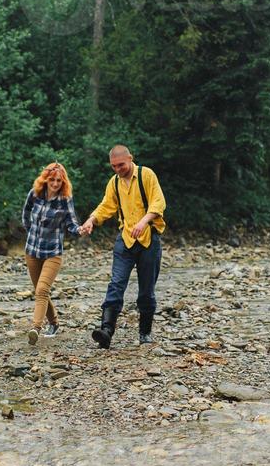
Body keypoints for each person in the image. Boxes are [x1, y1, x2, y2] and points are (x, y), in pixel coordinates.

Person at [77, 145, 166, 347]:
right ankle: (106, 331)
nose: (118, 169)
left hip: (149, 240)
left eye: (121, 165)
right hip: (125, 240)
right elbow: (106, 206)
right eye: (114, 166)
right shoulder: (114, 183)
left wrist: (144, 222)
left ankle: (145, 333)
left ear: (130, 158)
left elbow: (158, 203)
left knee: (146, 290)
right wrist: (91, 220)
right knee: (116, 284)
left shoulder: (146, 175)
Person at [21, 161, 82, 346]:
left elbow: (71, 224)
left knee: (42, 290)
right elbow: (26, 213)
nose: (55, 184)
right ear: (46, 179)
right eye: (52, 180)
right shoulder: (35, 193)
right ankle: (54, 323)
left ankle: (36, 328)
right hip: (32, 250)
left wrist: (80, 230)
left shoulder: (65, 199)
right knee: (40, 291)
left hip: (53, 252)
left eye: (59, 181)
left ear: (63, 182)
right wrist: (30, 230)